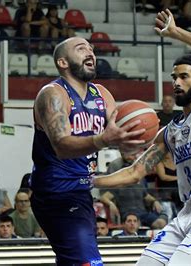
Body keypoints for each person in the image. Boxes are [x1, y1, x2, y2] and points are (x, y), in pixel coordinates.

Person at [94, 9, 191, 264]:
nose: (176, 82)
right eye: (174, 77)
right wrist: (89, 180)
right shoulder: (170, 132)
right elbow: (135, 172)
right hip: (188, 213)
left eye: (184, 76)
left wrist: (176, 32)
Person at [29, 36, 145, 265]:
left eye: (91, 49)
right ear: (63, 62)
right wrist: (103, 140)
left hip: (81, 190)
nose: (90, 53)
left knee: (72, 259)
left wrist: (133, 138)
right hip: (55, 193)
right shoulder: (53, 94)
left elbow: (118, 134)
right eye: (81, 49)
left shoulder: (101, 94)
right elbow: (61, 145)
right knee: (88, 262)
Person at [100, 151, 168, 229]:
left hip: (143, 214)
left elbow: (147, 196)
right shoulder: (119, 185)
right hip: (128, 215)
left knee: (161, 223)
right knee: (133, 223)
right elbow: (103, 197)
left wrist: (154, 201)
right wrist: (111, 204)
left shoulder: (139, 185)